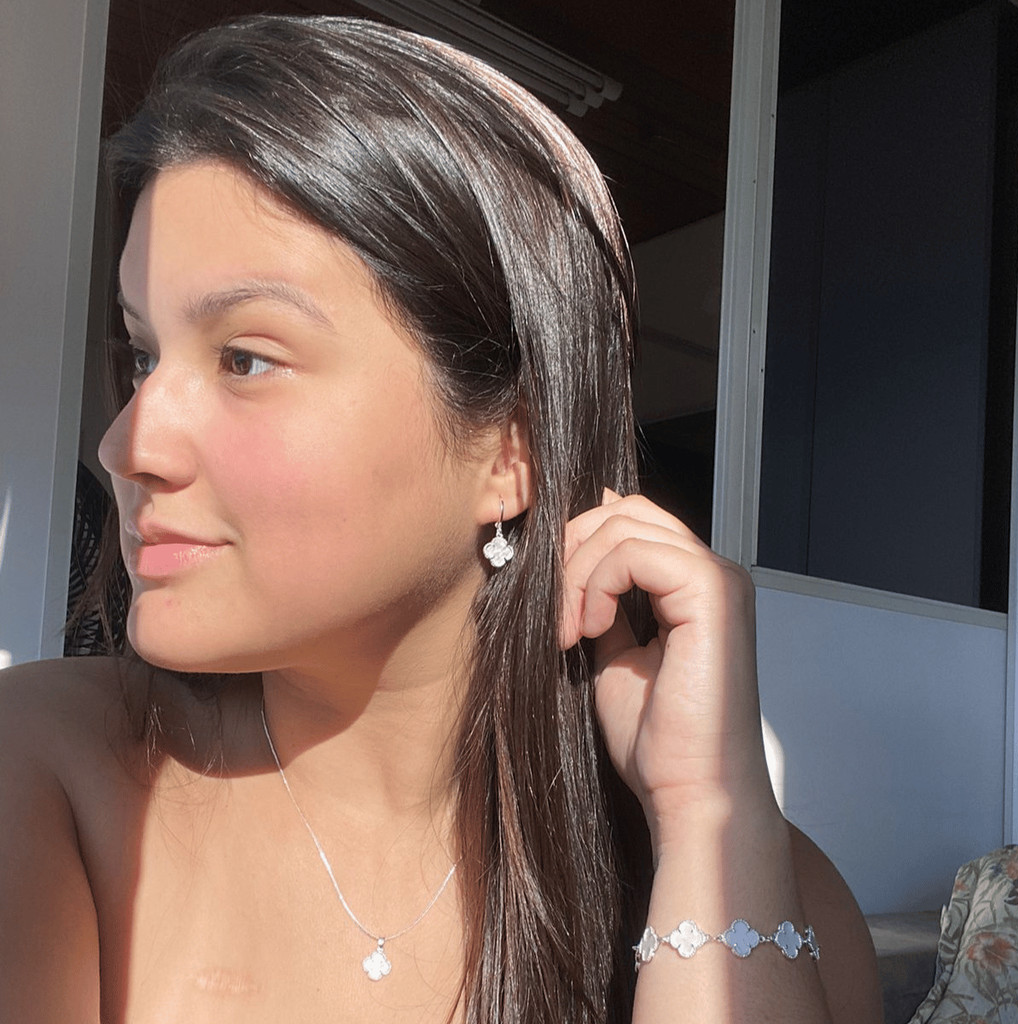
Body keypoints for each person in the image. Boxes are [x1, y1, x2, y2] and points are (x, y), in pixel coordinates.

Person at [0, 15, 883, 1024]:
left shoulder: (765, 895)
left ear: (510, 450)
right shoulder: (47, 771)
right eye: (143, 356)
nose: (126, 442)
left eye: (245, 358)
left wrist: (706, 818)